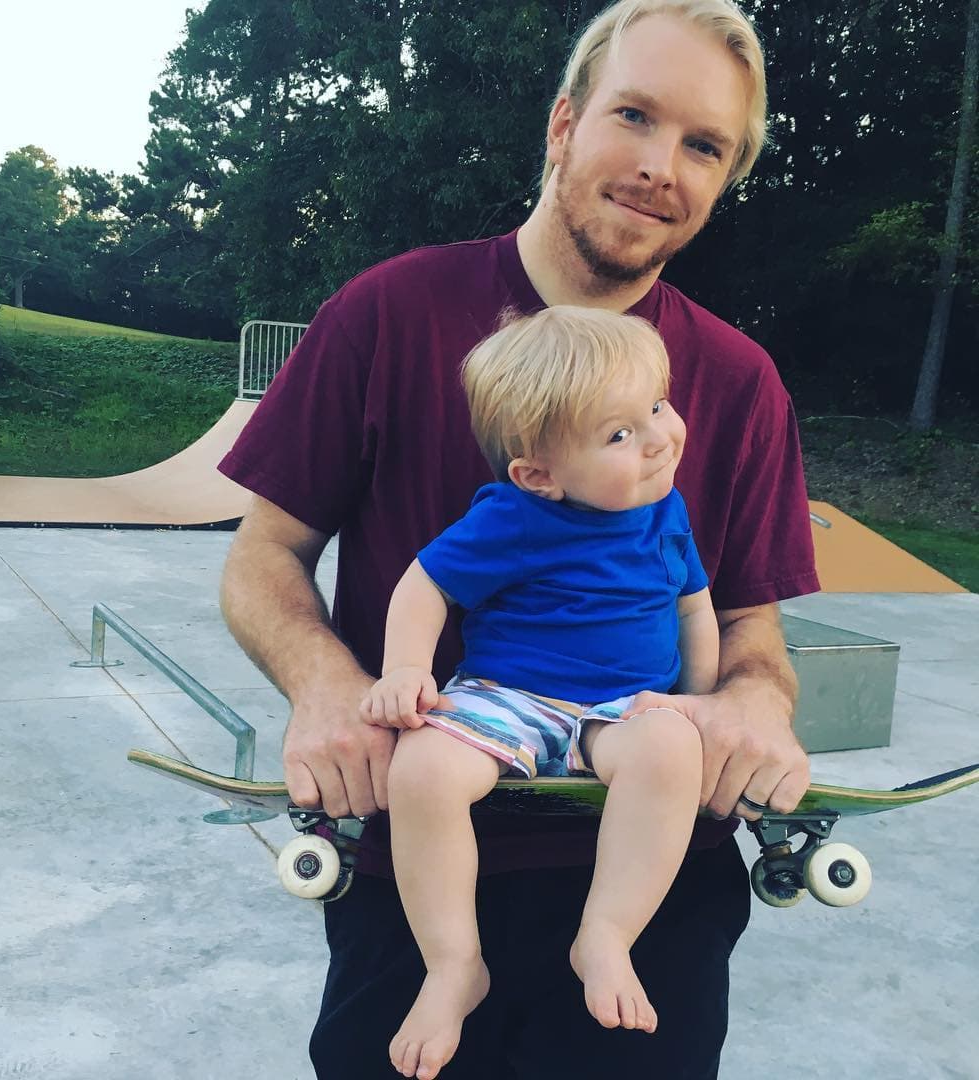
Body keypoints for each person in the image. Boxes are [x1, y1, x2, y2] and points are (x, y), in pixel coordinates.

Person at [218, 0, 821, 1076]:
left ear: (724, 179)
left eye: (702, 145)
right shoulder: (388, 313)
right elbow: (264, 556)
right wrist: (326, 686)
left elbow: (744, 620)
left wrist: (751, 701)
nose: (658, 165)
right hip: (420, 866)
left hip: (653, 893)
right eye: (633, 116)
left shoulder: (739, 383)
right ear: (562, 122)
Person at [360, 306, 718, 1080]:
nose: (658, 437)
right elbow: (425, 586)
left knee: (670, 747)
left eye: (657, 407)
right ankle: (454, 964)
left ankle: (607, 934)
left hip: (624, 706)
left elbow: (694, 608)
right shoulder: (513, 517)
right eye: (619, 434)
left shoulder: (666, 509)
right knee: (421, 769)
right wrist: (404, 671)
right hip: (510, 697)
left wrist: (702, 702)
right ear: (539, 474)